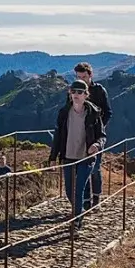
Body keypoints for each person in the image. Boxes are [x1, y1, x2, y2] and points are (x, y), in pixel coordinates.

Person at [48, 79, 107, 229]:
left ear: (86, 95)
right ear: (69, 93)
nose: (76, 94)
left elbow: (102, 136)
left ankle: (77, 220)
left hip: (86, 158)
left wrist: (96, 145)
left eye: (80, 92)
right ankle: (78, 211)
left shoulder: (94, 113)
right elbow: (58, 136)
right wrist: (53, 158)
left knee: (79, 188)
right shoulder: (63, 113)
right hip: (68, 156)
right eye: (73, 91)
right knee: (69, 190)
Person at [74, 62, 112, 207]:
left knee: (94, 168)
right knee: (82, 169)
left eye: (84, 77)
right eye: (78, 77)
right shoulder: (75, 90)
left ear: (90, 75)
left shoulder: (99, 91)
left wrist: (99, 128)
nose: (81, 80)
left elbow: (108, 112)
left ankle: (96, 198)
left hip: (96, 137)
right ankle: (85, 202)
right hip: (79, 136)